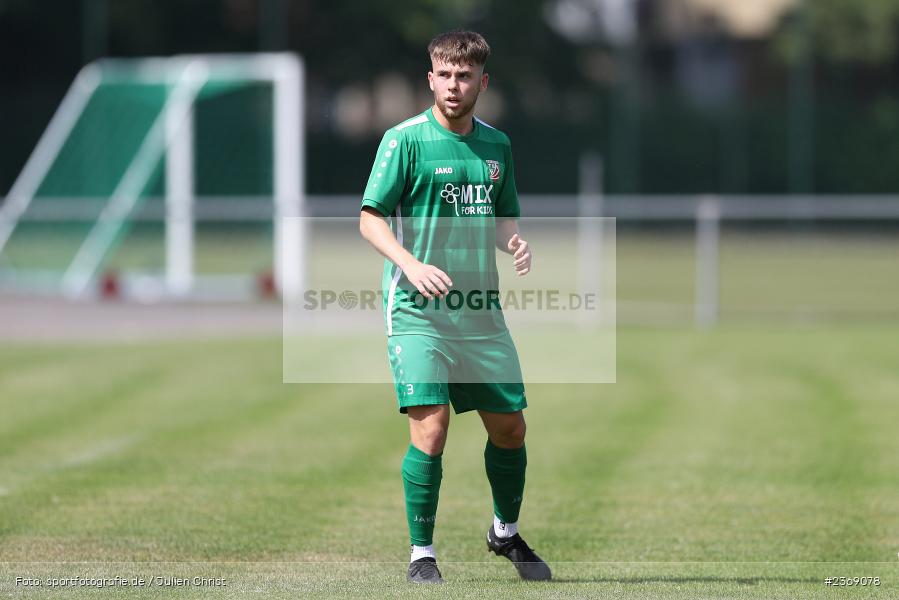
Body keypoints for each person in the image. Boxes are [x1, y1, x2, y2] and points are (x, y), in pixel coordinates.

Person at [358, 30, 551, 585]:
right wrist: (410, 264)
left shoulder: (498, 146)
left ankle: (505, 535)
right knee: (432, 429)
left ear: (482, 82)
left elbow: (500, 217)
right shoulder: (404, 141)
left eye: (464, 76)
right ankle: (422, 554)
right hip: (417, 310)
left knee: (510, 429)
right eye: (443, 74)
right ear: (430, 79)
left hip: (480, 313)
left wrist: (512, 241)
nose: (452, 85)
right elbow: (370, 218)